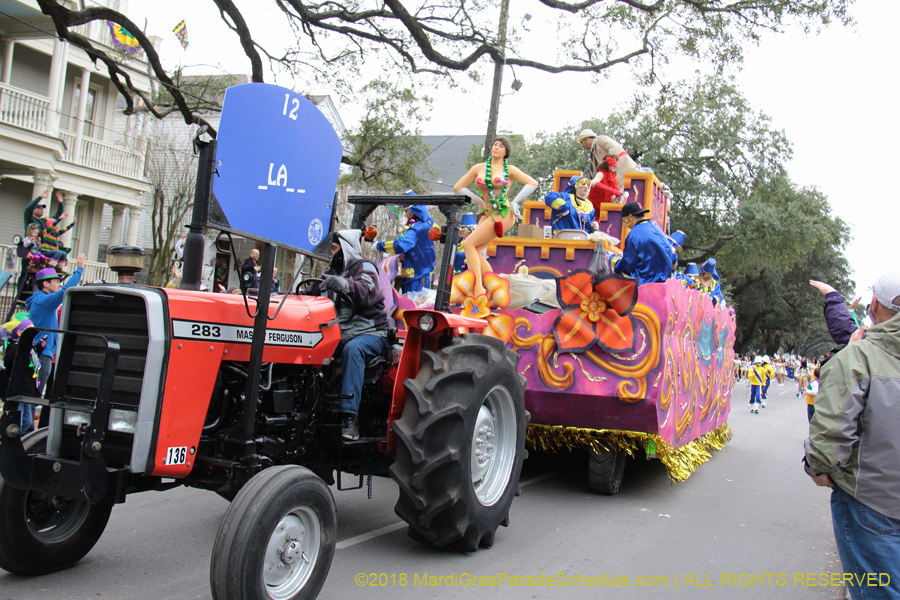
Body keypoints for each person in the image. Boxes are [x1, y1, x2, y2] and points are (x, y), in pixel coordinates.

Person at [803, 272, 900, 600]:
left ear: (874, 305)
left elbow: (834, 425)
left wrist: (819, 466)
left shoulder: (860, 357)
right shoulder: (863, 351)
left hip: (872, 503)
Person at [304, 230, 391, 441]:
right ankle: (311, 406)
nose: (331, 254)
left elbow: (368, 291)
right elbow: (306, 295)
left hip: (372, 334)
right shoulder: (329, 274)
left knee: (355, 349)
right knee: (307, 346)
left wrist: (344, 284)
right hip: (341, 336)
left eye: (334, 249)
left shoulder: (365, 267)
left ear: (345, 249)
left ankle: (349, 418)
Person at [454, 137, 538, 297]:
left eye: (501, 146)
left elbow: (532, 183)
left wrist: (516, 201)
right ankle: (494, 288)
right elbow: (458, 187)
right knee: (475, 251)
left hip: (503, 213)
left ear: (506, 151)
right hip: (488, 213)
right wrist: (478, 201)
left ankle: (477, 291)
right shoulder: (479, 168)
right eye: (495, 144)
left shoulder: (510, 170)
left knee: (468, 244)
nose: (497, 147)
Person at [23, 255, 86, 434]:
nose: (59, 284)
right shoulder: (44, 302)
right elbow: (65, 291)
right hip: (42, 356)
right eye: (56, 281)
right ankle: (26, 433)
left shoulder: (39, 301)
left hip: (44, 355)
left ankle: (29, 430)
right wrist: (79, 268)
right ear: (45, 284)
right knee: (35, 396)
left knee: (36, 395)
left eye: (60, 281)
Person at [375, 204, 436, 293]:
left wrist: (379, 245)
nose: (405, 215)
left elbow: (401, 245)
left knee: (412, 304)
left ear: (412, 212)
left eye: (406, 211)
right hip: (420, 274)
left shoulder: (416, 228)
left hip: (415, 277)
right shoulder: (427, 224)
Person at [611, 201, 674, 285]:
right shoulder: (657, 229)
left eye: (625, 221)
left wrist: (615, 263)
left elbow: (628, 264)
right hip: (664, 282)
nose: (626, 225)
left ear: (631, 217)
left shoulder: (634, 234)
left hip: (645, 283)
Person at [575, 129, 638, 193]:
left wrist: (606, 163)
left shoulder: (600, 139)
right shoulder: (594, 154)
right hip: (617, 179)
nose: (582, 145)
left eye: (582, 142)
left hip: (625, 171)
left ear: (587, 139)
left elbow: (614, 148)